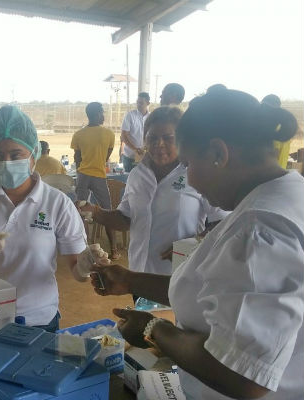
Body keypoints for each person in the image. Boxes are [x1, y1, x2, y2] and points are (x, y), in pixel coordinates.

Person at [89, 89, 303, 399]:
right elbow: (219, 291)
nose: (188, 179)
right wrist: (131, 279)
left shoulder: (260, 229)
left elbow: (243, 375)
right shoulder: (286, 195)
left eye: (188, 163)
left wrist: (153, 330)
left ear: (218, 153)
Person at [0, 105, 86, 332]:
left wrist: (88, 264)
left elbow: (78, 271)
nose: (7, 162)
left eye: (16, 155)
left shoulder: (56, 203)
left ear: (33, 155)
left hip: (38, 318)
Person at [79, 107, 228, 279]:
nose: (159, 144)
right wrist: (96, 213)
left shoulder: (197, 173)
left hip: (180, 276)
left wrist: (193, 244)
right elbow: (126, 218)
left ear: (182, 140)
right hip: (138, 274)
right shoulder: (137, 174)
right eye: (152, 138)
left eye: (168, 138)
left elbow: (223, 222)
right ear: (145, 140)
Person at [71, 102, 118, 259]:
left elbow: (77, 158)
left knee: (82, 212)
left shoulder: (78, 135)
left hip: (83, 176)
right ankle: (114, 250)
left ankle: (85, 249)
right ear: (97, 114)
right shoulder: (108, 134)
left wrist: (82, 171)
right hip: (99, 176)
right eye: (102, 112)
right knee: (108, 212)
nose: (103, 115)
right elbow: (106, 155)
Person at [120, 92, 150, 173]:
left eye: (141, 103)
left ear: (148, 103)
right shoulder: (130, 115)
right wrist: (135, 149)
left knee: (144, 181)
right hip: (129, 157)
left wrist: (146, 148)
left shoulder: (151, 117)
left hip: (145, 157)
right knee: (128, 180)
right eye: (137, 102)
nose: (138, 105)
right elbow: (124, 135)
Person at [262, 94, 292, 169]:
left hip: (271, 172)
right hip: (280, 170)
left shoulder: (273, 129)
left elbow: (275, 152)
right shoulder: (284, 127)